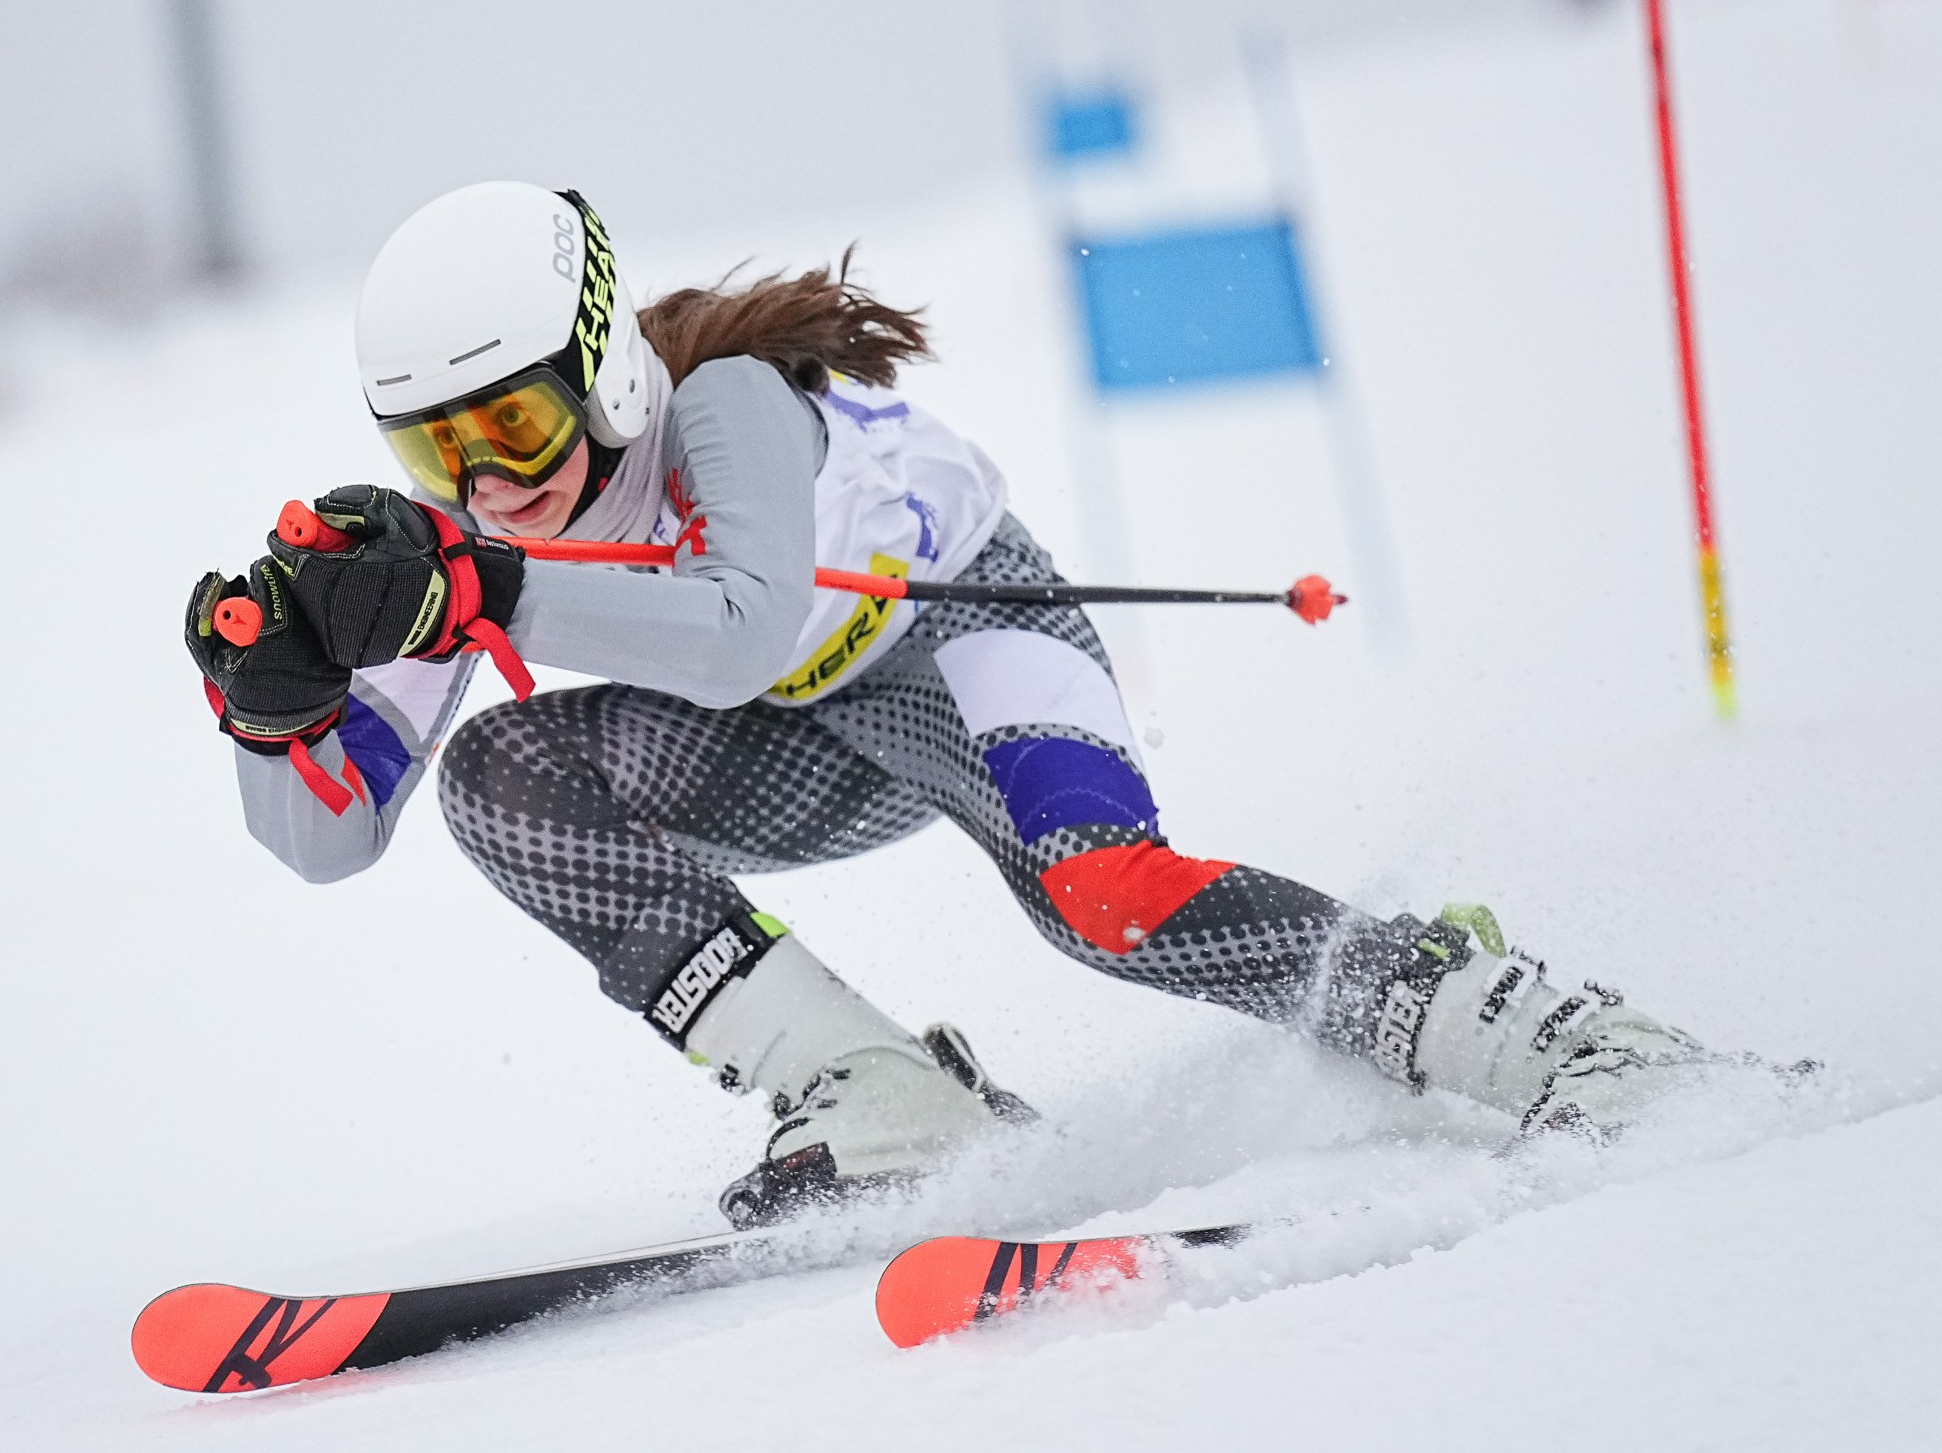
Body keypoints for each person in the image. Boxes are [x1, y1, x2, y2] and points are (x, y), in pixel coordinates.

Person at [185, 181, 1712, 1227]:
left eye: (513, 420)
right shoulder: (483, 539)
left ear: (604, 368)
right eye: (434, 454)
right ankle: (880, 1096)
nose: (491, 484)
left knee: (1101, 899)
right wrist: (276, 707)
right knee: (498, 778)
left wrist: (486, 585)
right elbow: (327, 844)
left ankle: (1535, 1026)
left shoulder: (725, 403)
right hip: (782, 743)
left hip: (964, 652)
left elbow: (738, 626)